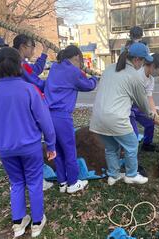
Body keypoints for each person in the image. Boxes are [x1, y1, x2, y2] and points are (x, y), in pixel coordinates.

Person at [0, 47, 56, 238]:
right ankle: (37, 223)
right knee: (33, 183)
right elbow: (44, 120)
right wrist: (51, 144)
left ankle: (18, 223)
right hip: (30, 147)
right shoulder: (29, 89)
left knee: (16, 183)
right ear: (19, 65)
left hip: (5, 148)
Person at [90, 42, 159, 186]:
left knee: (111, 148)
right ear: (137, 59)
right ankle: (131, 175)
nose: (143, 64)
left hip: (97, 118)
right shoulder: (134, 76)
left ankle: (113, 176)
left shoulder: (109, 68)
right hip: (115, 118)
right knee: (132, 144)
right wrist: (153, 116)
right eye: (143, 61)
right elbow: (143, 104)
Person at [44, 45, 97, 194]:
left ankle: (62, 182)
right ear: (76, 58)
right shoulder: (72, 71)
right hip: (62, 116)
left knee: (57, 150)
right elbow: (88, 85)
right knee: (69, 150)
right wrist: (95, 78)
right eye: (81, 62)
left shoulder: (55, 67)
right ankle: (73, 183)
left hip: (47, 116)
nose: (81, 66)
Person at [130, 53, 159, 152]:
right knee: (134, 134)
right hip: (128, 106)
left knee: (150, 122)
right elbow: (141, 100)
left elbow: (149, 97)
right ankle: (131, 162)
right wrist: (151, 113)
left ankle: (146, 144)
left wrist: (155, 114)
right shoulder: (138, 75)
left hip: (139, 106)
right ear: (153, 66)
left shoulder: (151, 79)